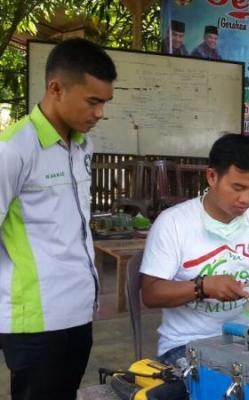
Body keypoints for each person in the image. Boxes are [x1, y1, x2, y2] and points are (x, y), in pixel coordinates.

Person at [0, 38, 116, 400]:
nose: (99, 113)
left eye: (104, 103)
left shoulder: (83, 145)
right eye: (92, 101)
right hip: (34, 318)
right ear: (55, 88)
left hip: (79, 309)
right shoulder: (13, 149)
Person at [140, 134, 249, 365]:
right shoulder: (174, 223)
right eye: (237, 187)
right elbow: (151, 294)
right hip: (186, 344)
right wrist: (202, 287)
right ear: (212, 177)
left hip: (245, 338)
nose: (246, 199)